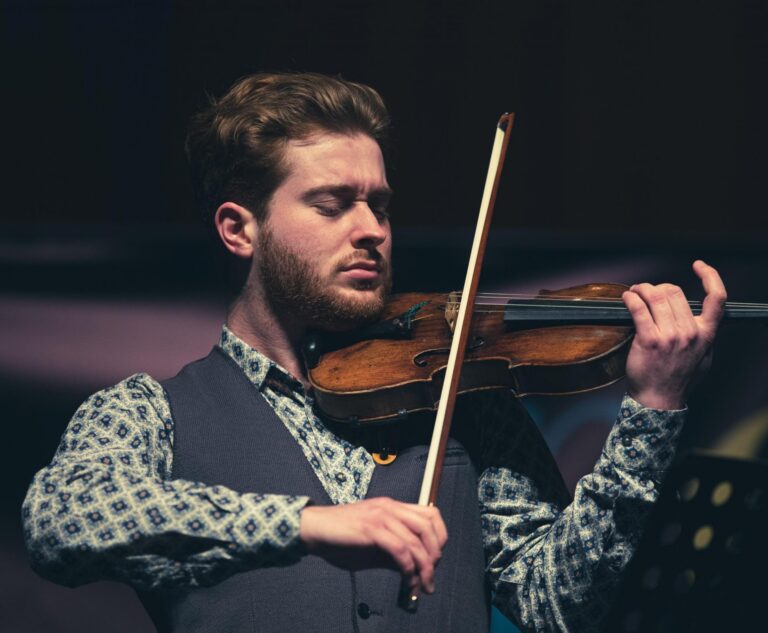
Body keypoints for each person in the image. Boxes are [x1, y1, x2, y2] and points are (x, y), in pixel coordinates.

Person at [22, 72, 726, 633]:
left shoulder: (465, 397)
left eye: (380, 205)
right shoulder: (150, 410)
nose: (371, 230)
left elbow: (557, 604)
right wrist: (302, 522)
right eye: (333, 204)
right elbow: (60, 517)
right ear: (240, 229)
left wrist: (652, 408)